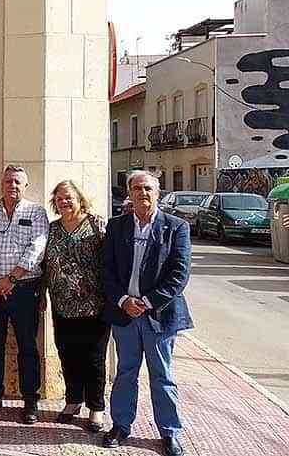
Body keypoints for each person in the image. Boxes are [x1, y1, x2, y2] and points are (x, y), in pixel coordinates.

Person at [101, 170, 192, 456]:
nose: (143, 193)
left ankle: (170, 433)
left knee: (162, 375)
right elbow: (106, 271)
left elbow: (179, 274)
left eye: (148, 189)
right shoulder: (117, 227)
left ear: (158, 192)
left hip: (159, 317)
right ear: (129, 193)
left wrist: (148, 301)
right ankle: (120, 426)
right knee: (125, 372)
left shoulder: (176, 227)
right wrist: (124, 300)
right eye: (137, 188)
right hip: (125, 315)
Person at [0, 165, 49, 424]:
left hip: (24, 290)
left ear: (25, 186)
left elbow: (37, 248)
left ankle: (30, 399)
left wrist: (10, 279)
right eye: (7, 181)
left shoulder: (36, 212)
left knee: (28, 345)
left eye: (17, 182)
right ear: (1, 184)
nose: (12, 186)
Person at [43, 180, 109, 431]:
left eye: (68, 197)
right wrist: (41, 295)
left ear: (79, 198)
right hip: (62, 306)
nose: (64, 202)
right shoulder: (52, 229)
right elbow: (44, 267)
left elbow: (111, 262)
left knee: (94, 359)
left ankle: (96, 408)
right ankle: (73, 401)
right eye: (59, 199)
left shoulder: (97, 224)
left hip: (95, 306)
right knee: (68, 355)